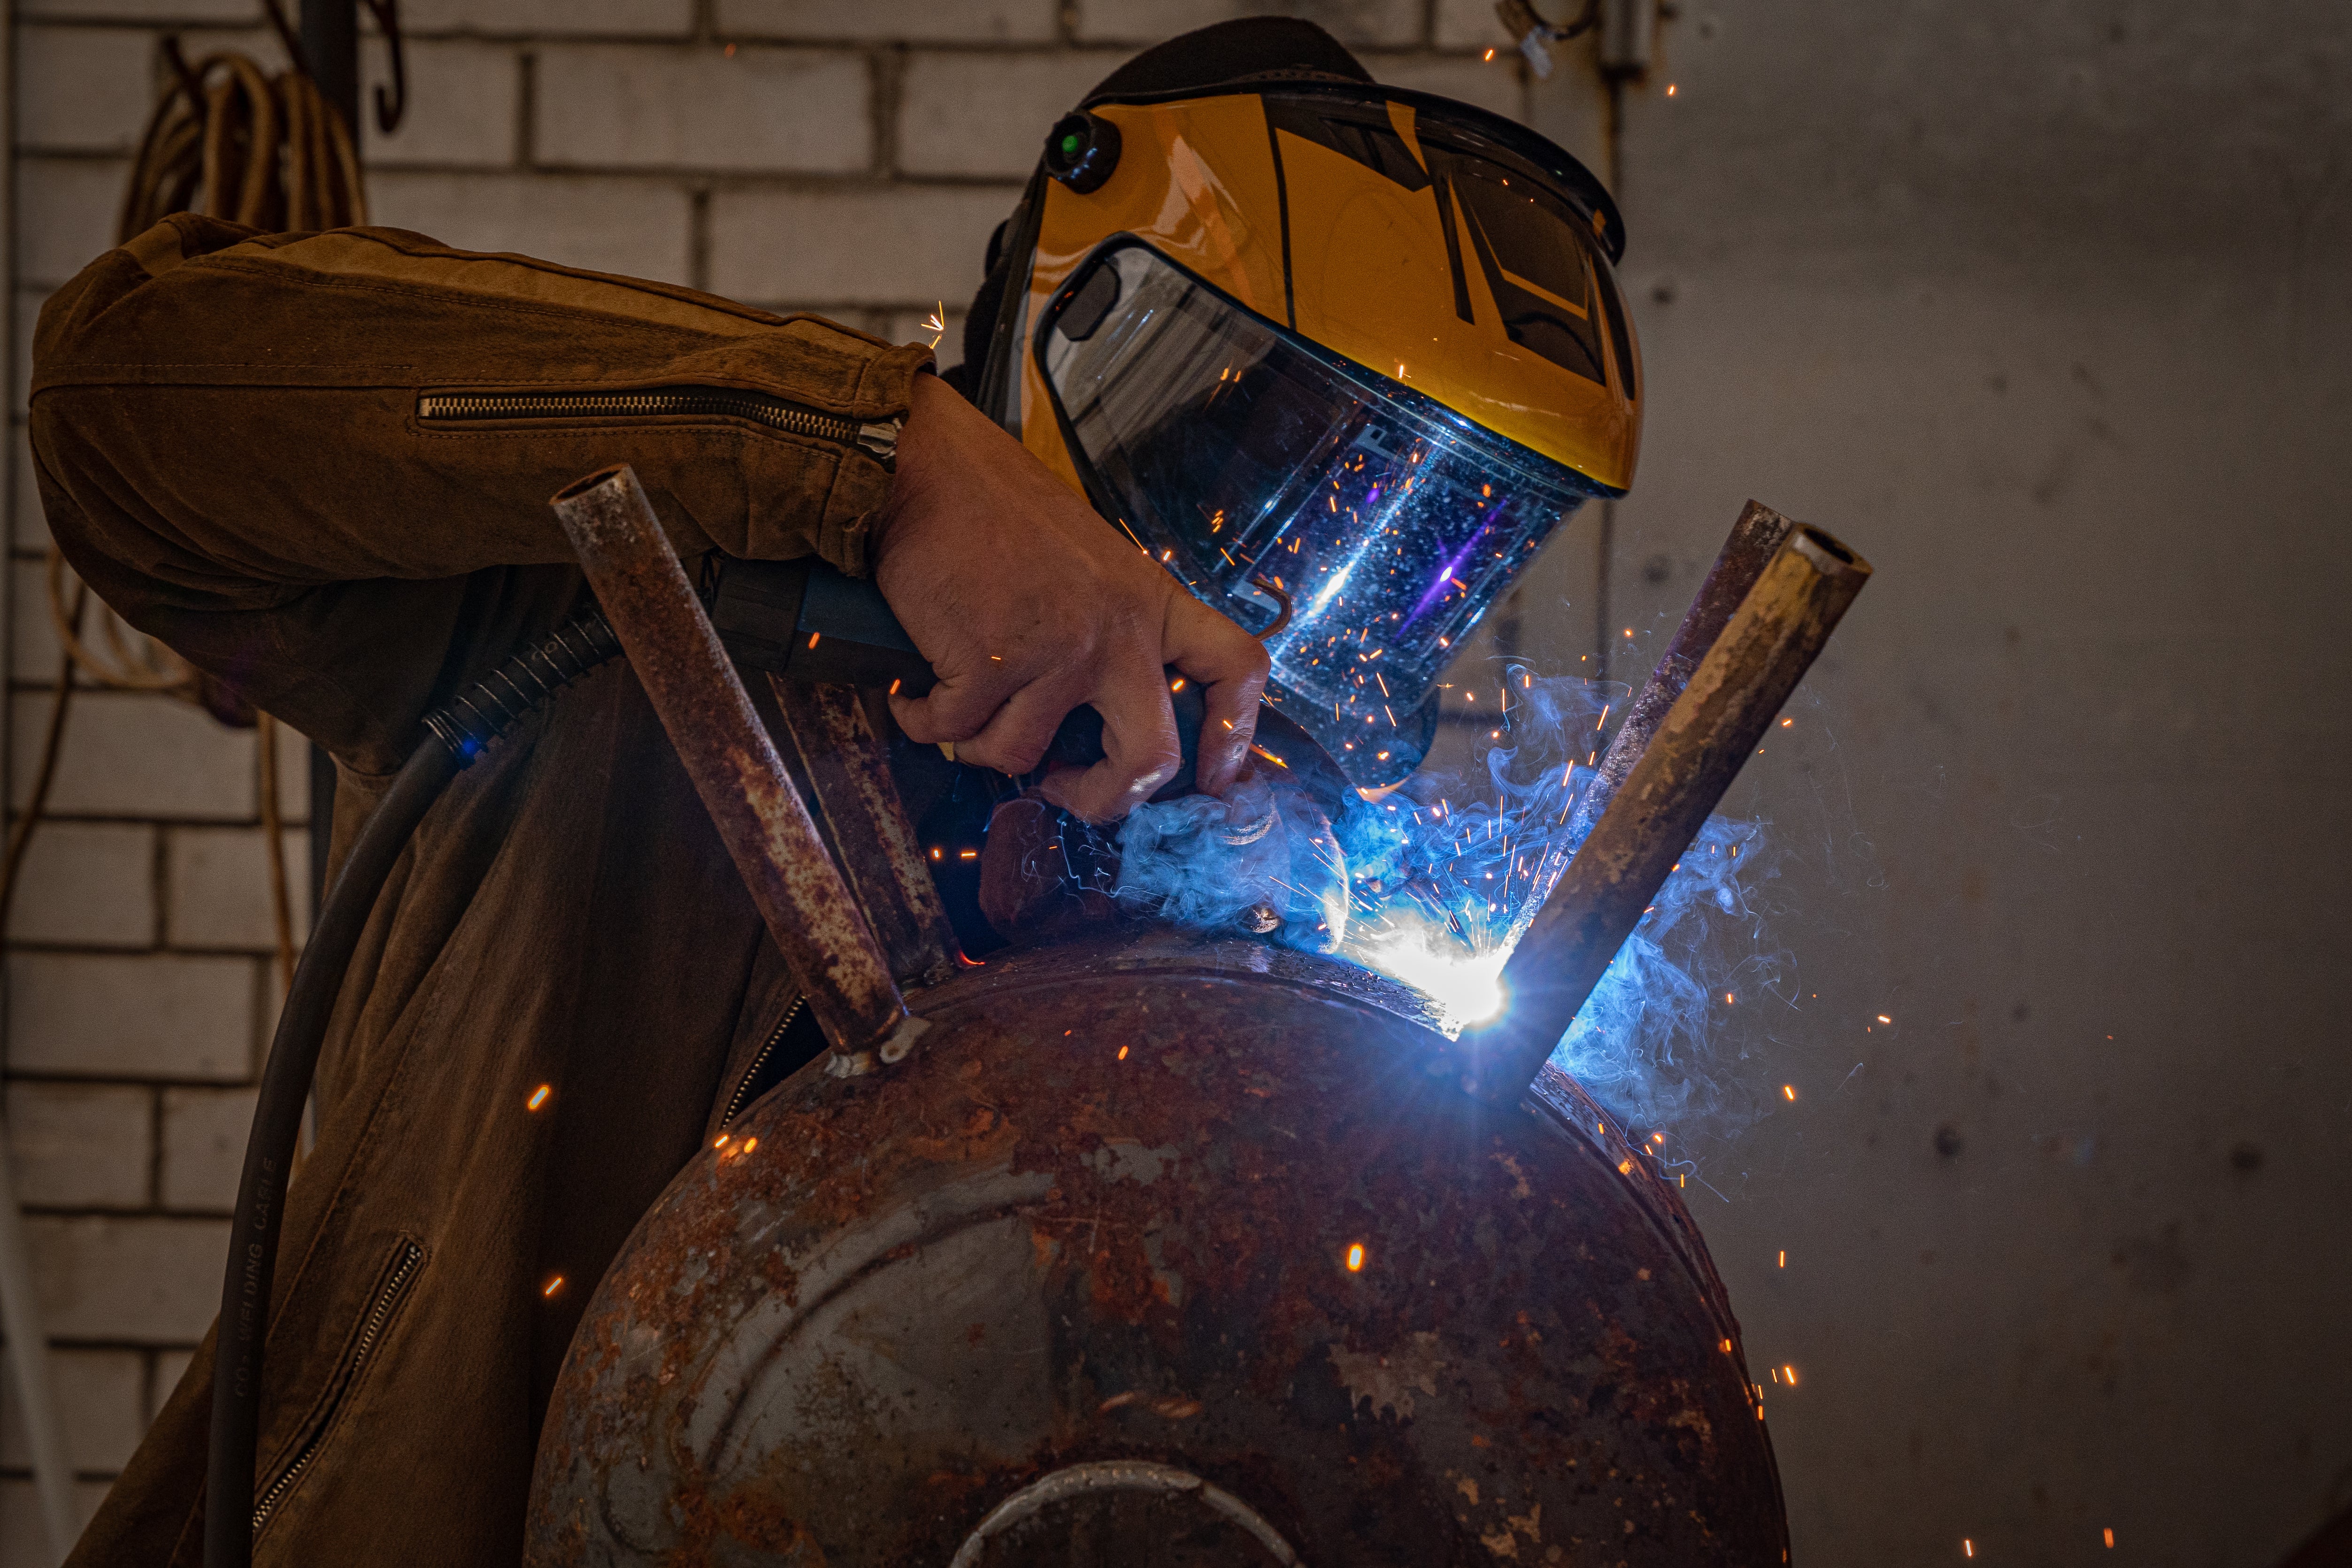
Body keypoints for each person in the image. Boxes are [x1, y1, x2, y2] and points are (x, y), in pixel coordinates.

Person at [31, 19, 1639, 1565]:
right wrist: (881, 464)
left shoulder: (1317, 969)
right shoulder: (653, 640)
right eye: (1263, 483)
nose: (1285, 612)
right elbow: (117, 406)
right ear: (1067, 362)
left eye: (1420, 549)